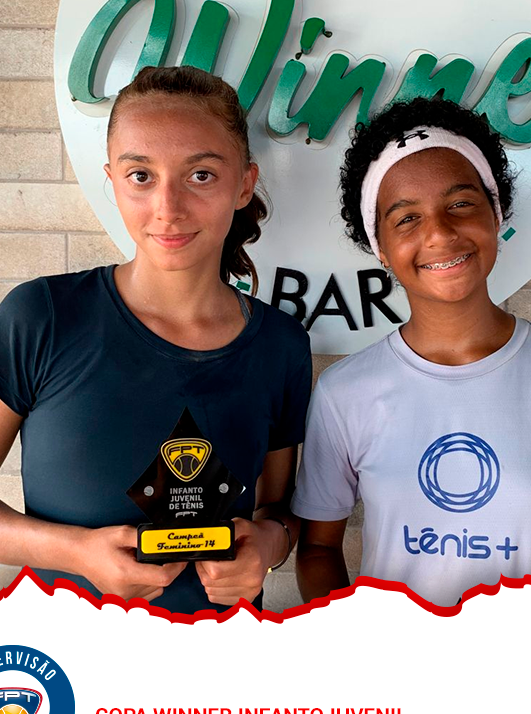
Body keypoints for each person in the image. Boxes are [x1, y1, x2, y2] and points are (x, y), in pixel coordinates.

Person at [0, 66, 311, 615]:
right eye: (141, 175)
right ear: (112, 180)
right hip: (63, 661)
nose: (168, 207)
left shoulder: (281, 345)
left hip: (222, 660)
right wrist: (78, 553)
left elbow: (277, 510)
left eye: (201, 175)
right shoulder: (42, 316)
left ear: (244, 185)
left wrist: (269, 544)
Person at [292, 97, 531, 608]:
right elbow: (318, 548)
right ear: (380, 247)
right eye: (406, 218)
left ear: (495, 214)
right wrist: (350, 642)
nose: (441, 233)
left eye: (461, 203)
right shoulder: (344, 393)